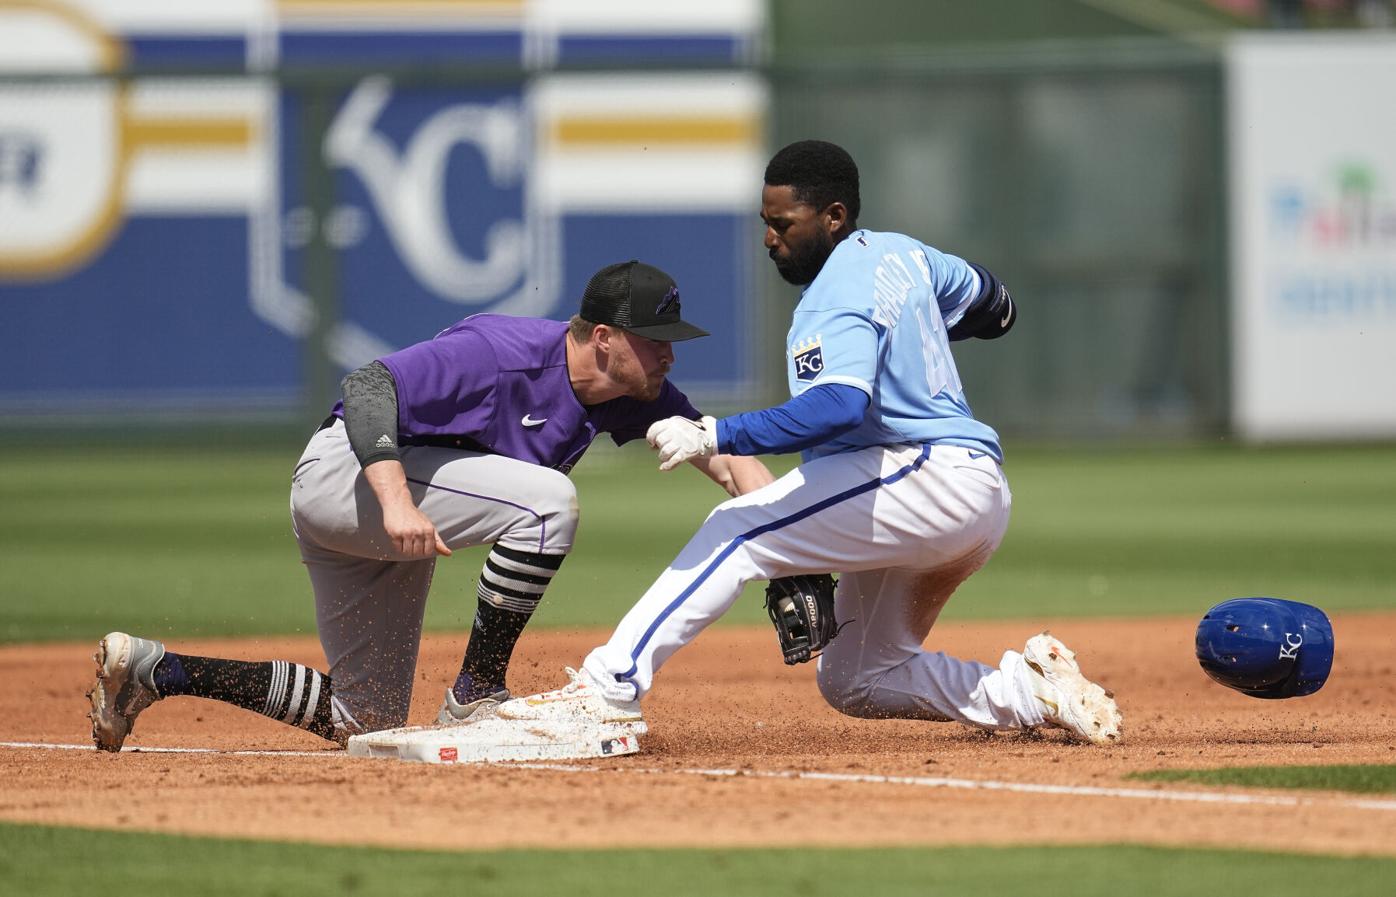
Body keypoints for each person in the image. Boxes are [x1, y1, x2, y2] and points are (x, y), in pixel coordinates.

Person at [494, 140, 1124, 745]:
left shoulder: (833, 294)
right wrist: (911, 332)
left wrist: (716, 432)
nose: (771, 238)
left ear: (834, 216)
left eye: (785, 224)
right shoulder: (906, 256)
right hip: (958, 496)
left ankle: (607, 689)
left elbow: (838, 407)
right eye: (765, 222)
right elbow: (997, 308)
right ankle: (1029, 693)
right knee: (855, 677)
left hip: (926, 474)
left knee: (735, 530)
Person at [88, 260, 774, 751]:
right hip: (351, 478)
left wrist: (793, 547)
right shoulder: (501, 353)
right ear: (602, 337)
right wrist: (393, 501)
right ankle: (477, 690)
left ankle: (158, 670)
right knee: (548, 504)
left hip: (402, 506)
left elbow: (724, 455)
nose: (668, 355)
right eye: (656, 339)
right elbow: (365, 387)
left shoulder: (634, 393)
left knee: (363, 718)